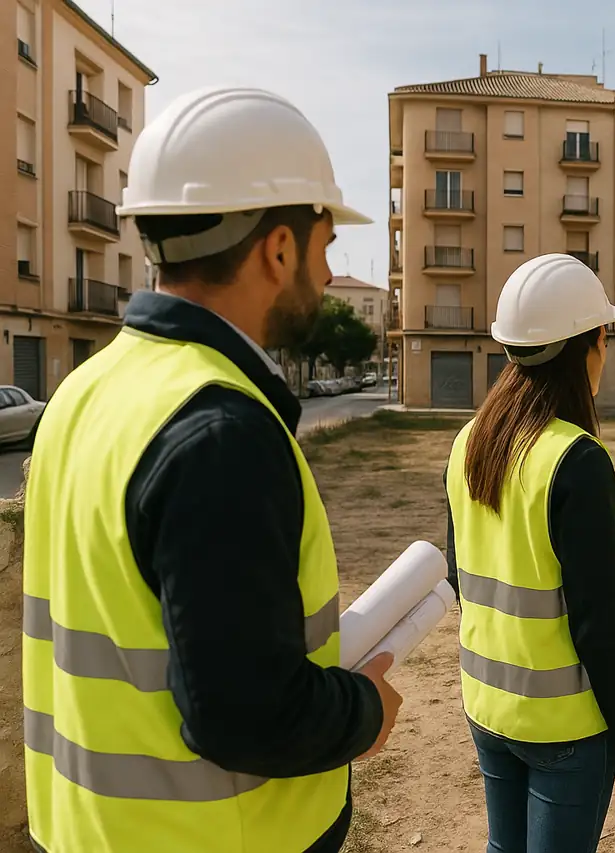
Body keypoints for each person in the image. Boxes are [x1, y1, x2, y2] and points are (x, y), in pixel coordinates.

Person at [21, 86, 401, 853]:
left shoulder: (84, 390)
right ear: (280, 249)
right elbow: (246, 714)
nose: (327, 277)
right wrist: (367, 710)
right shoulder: (218, 430)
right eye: (324, 249)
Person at [443, 253, 615, 853]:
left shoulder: (469, 441)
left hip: (487, 707)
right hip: (564, 725)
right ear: (586, 343)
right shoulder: (577, 459)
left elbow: (460, 575)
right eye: (604, 335)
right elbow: (599, 625)